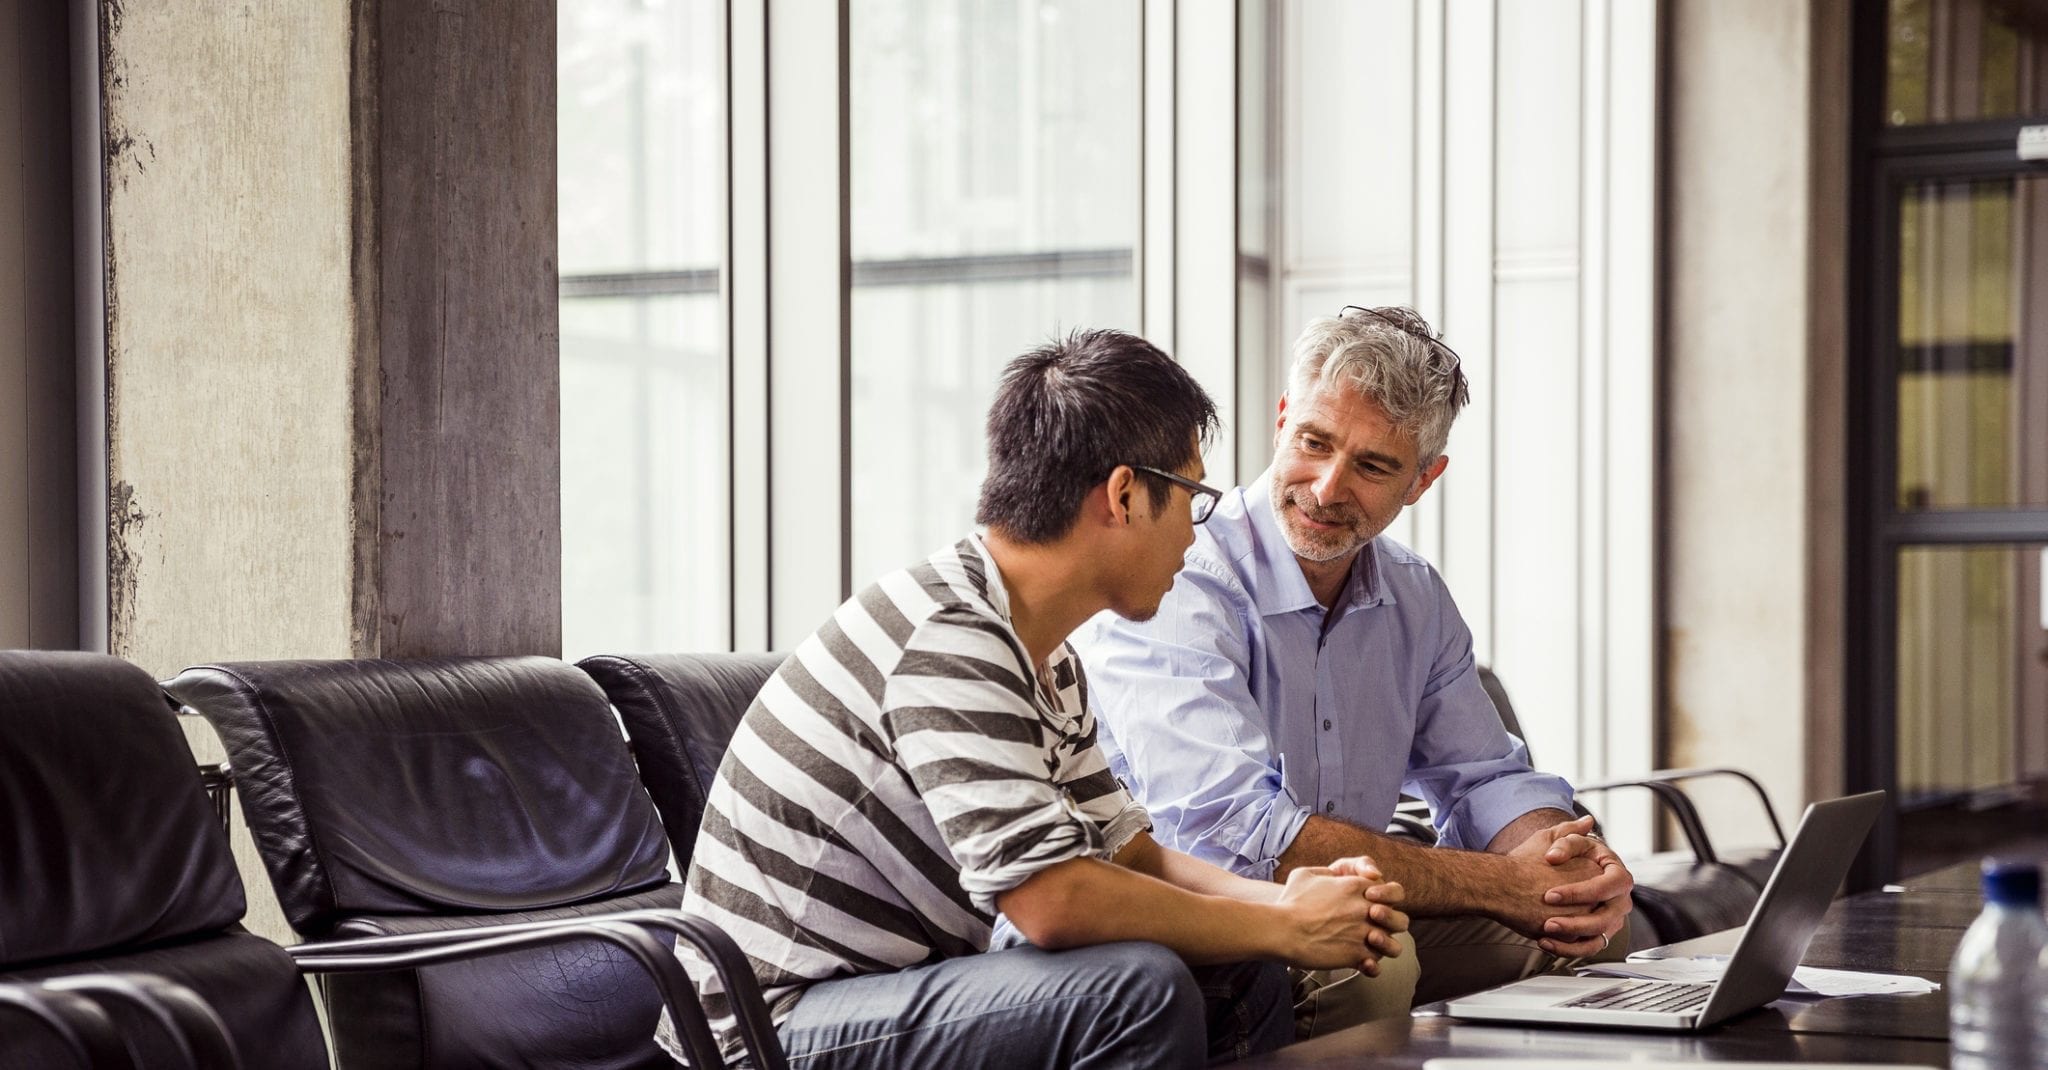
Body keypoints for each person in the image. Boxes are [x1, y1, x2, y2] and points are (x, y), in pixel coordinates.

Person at [661, 329, 1409, 1069]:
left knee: (1233, 969)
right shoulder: (949, 640)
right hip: (768, 1032)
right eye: (1191, 496)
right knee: (1138, 991)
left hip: (888, 992)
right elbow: (1050, 903)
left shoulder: (1043, 655)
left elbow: (1130, 855)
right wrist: (1280, 926)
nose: (1195, 530)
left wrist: (1276, 907)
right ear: (1124, 495)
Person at [1075, 306, 1635, 1038]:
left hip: (1352, 908)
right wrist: (1507, 883)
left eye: (1373, 466)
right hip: (1201, 913)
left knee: (1581, 931)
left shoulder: (1414, 595)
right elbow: (1235, 833)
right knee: (1372, 959)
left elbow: (1486, 777)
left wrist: (1565, 865)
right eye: (1314, 442)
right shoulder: (1180, 576)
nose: (1328, 487)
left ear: (1423, 480)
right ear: (1282, 422)